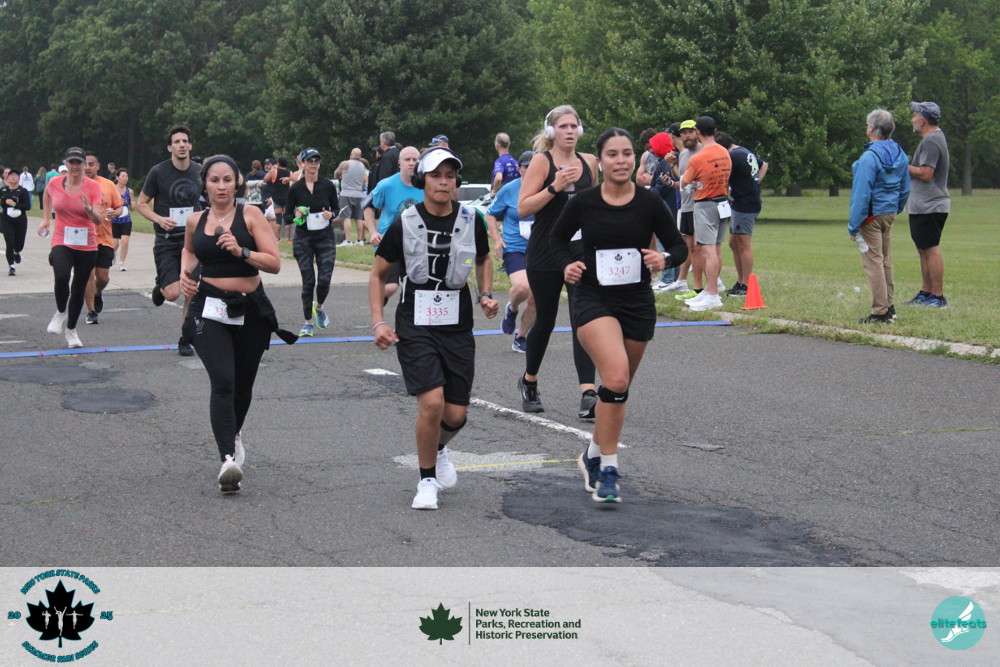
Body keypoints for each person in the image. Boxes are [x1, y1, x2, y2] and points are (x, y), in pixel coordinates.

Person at [551, 128, 687, 502]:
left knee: (617, 388)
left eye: (627, 153)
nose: (621, 160)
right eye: (613, 154)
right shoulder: (584, 202)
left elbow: (678, 246)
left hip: (637, 302)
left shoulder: (649, 203)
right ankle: (609, 468)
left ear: (635, 158)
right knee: (614, 376)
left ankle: (592, 454)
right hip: (593, 299)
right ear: (600, 161)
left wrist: (664, 258)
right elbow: (556, 240)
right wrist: (567, 265)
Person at [368, 147, 499, 510]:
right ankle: (426, 481)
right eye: (436, 176)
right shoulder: (405, 222)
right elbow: (378, 275)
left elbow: (484, 258)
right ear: (422, 181)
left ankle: (438, 448)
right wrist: (378, 321)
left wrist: (486, 294)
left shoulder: (471, 220)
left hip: (456, 323)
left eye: (450, 176)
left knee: (455, 415)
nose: (444, 182)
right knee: (432, 404)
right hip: (416, 321)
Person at [179, 155, 295, 494]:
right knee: (223, 382)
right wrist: (186, 275)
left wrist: (241, 250)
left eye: (227, 180)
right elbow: (189, 251)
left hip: (250, 309)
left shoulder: (251, 215)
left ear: (237, 183)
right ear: (204, 184)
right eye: (214, 180)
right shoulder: (195, 220)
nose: (221, 186)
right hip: (209, 308)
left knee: (243, 386)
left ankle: (234, 433)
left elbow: (273, 263)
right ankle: (227, 459)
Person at [516, 105, 599, 418]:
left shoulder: (589, 161)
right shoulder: (542, 161)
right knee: (546, 319)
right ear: (551, 131)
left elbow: (597, 204)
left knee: (583, 319)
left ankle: (588, 393)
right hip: (546, 250)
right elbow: (523, 208)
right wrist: (555, 186)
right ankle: (529, 380)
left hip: (579, 251)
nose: (569, 132)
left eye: (574, 126)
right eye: (563, 126)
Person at [134, 124, 203, 356]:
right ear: (169, 147)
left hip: (191, 242)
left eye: (185, 141)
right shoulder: (158, 172)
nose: (181, 145)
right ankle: (161, 285)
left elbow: (212, 198)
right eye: (177, 142)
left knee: (191, 291)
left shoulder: (199, 171)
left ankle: (186, 339)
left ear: (190, 146)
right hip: (166, 240)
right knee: (173, 293)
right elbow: (140, 204)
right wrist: (159, 219)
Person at [37, 147, 104, 349]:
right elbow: (46, 195)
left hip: (86, 242)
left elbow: (99, 219)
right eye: (71, 162)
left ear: (84, 165)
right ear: (65, 164)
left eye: (78, 163)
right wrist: (46, 218)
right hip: (62, 239)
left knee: (79, 288)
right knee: (62, 275)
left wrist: (88, 209)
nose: (75, 166)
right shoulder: (55, 183)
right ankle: (60, 312)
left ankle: (71, 330)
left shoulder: (92, 186)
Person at [848, 109, 910, 324]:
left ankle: (880, 312)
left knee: (873, 262)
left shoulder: (869, 157)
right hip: (889, 211)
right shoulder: (900, 154)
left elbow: (861, 194)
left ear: (872, 129)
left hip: (871, 216)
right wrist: (896, 208)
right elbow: (905, 188)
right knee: (886, 261)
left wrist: (853, 225)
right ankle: (889, 306)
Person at [284, 148, 339, 336]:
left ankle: (319, 307)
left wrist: (331, 214)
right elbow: (286, 217)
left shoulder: (327, 185)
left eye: (316, 160)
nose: (313, 164)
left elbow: (336, 209)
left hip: (325, 237)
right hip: (303, 239)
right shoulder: (295, 189)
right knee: (308, 281)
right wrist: (296, 213)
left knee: (324, 279)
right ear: (303, 164)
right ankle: (308, 322)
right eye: (310, 161)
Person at [679, 115, 731, 311]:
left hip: (705, 204)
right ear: (715, 131)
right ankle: (710, 290)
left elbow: (684, 183)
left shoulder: (697, 158)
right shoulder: (725, 152)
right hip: (723, 202)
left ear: (698, 132)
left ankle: (713, 294)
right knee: (716, 249)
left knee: (707, 251)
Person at [486, 150, 536, 352]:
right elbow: (490, 214)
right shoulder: (509, 189)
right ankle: (512, 308)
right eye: (526, 167)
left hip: (540, 249)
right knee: (522, 287)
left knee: (536, 298)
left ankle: (521, 337)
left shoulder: (546, 189)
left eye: (534, 167)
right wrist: (497, 239)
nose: (530, 170)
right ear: (519, 169)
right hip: (514, 247)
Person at [905, 101, 950, 308]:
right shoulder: (932, 139)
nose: (912, 119)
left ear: (922, 120)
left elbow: (926, 173)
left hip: (930, 205)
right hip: (922, 205)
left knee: (931, 249)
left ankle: (938, 297)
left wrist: (902, 166)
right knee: (923, 249)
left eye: (915, 116)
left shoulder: (932, 141)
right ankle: (926, 292)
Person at [363, 146, 422, 301]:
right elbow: (367, 206)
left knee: (414, 289)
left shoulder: (426, 186)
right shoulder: (387, 185)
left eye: (415, 160)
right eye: (407, 159)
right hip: (388, 241)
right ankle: (377, 306)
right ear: (399, 163)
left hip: (416, 244)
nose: (411, 163)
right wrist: (373, 232)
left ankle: (406, 315)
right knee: (390, 287)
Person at [715, 131, 768, 296]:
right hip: (745, 202)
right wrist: (755, 184)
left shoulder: (732, 156)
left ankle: (746, 285)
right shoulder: (744, 151)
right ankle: (740, 282)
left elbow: (722, 177)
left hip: (744, 204)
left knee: (744, 244)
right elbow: (764, 165)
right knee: (734, 243)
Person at [83, 151, 123, 325]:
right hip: (83, 238)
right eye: (85, 164)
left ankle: (97, 293)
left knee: (103, 277)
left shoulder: (107, 185)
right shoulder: (77, 184)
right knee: (88, 275)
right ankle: (91, 311)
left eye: (91, 164)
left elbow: (119, 207)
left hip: (104, 237)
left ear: (98, 166)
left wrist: (116, 213)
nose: (87, 167)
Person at [334, 147, 368, 245]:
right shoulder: (362, 166)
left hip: (346, 193)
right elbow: (364, 179)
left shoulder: (345, 163)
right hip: (359, 194)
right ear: (360, 156)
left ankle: (348, 240)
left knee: (346, 217)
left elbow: (336, 174)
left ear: (350, 154)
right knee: (359, 218)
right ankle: (360, 240)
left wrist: (342, 175)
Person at [1, 169, 31, 276]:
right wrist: (5, 202)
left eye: (15, 175)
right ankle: (11, 267)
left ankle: (16, 251)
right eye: (11, 175)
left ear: (19, 178)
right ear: (7, 178)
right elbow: (2, 202)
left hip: (20, 221)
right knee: (9, 243)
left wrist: (14, 204)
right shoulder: (3, 190)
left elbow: (27, 206)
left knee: (19, 245)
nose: (13, 177)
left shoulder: (23, 191)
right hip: (6, 220)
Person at [263, 156, 292, 242]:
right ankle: (288, 238)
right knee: (287, 219)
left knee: (278, 219)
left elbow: (265, 179)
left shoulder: (274, 171)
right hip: (287, 198)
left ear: (278, 163)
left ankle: (277, 238)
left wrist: (272, 169)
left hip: (276, 198)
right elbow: (295, 181)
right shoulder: (290, 173)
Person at [111, 168, 134, 270]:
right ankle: (112, 255)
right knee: (115, 244)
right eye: (123, 176)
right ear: (117, 177)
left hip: (126, 220)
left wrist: (133, 204)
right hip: (114, 219)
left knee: (125, 241)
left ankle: (122, 263)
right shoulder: (112, 189)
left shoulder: (130, 191)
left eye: (126, 176)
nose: (125, 178)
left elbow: (132, 207)